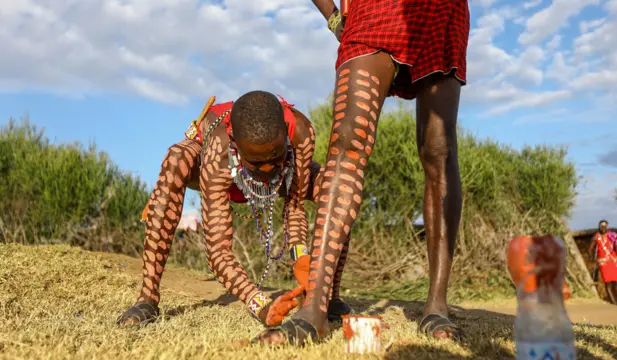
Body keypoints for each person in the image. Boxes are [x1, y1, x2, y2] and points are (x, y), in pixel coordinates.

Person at [254, 0, 470, 345]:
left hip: (439, 11)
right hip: (373, 11)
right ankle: (315, 309)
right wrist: (334, 16)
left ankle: (436, 304)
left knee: (438, 151)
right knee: (347, 141)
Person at [116, 91, 352, 328]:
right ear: (236, 146)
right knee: (176, 159)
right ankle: (147, 298)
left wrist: (300, 258)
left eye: (276, 157)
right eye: (257, 163)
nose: (268, 169)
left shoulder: (301, 132)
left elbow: (295, 206)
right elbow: (218, 252)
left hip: (283, 179)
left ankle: (331, 297)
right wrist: (260, 303)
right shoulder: (217, 148)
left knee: (338, 189)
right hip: (219, 172)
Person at [589, 220, 617, 304]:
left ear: (607, 227)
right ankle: (613, 301)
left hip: (614, 260)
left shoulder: (612, 235)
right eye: (601, 226)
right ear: (599, 227)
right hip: (603, 262)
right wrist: (594, 259)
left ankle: (616, 297)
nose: (603, 227)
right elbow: (590, 249)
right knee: (607, 282)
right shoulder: (596, 237)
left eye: (605, 226)